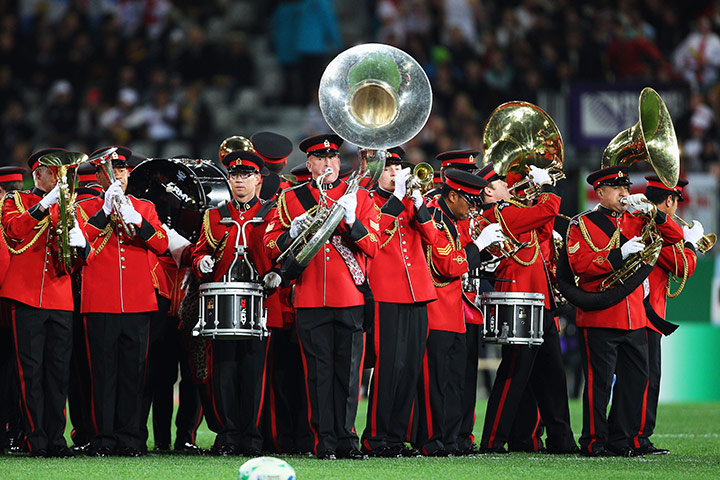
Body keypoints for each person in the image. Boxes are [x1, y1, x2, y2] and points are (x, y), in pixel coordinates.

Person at [264, 133, 380, 460]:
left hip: (349, 297)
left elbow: (373, 245)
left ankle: (347, 439)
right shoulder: (292, 199)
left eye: (333, 158)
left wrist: (352, 221)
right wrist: (293, 231)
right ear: (310, 163)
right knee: (318, 374)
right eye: (320, 158)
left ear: (339, 162)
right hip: (310, 298)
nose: (327, 163)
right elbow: (270, 247)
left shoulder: (357, 196)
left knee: (349, 373)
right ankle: (324, 442)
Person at [566, 166, 683, 457]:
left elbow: (675, 235)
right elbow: (579, 265)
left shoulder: (637, 219)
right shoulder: (582, 224)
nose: (624, 194)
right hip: (600, 316)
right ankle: (593, 442)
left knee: (636, 380)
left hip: (634, 315)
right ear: (600, 192)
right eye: (617, 189)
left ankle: (622, 439)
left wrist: (654, 213)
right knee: (599, 384)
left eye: (626, 188)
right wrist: (619, 254)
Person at [477, 162, 576, 454]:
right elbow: (545, 213)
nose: (509, 185)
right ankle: (493, 440)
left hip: (540, 300)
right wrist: (545, 189)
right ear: (489, 190)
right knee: (514, 372)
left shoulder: (515, 211)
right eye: (501, 183)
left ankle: (558, 439)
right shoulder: (498, 212)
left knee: (552, 373)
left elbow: (544, 230)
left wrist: (535, 197)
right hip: (518, 300)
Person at [77, 147, 169, 457]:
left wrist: (138, 221)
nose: (119, 176)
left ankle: (131, 438)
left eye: (123, 170)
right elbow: (80, 243)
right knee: (102, 374)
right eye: (112, 171)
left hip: (138, 301)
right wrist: (104, 210)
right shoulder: (85, 206)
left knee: (134, 373)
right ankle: (102, 437)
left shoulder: (144, 206)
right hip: (100, 301)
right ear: (100, 175)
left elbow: (161, 243)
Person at [0, 149, 89, 457]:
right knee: (30, 371)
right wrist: (43, 205)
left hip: (61, 297)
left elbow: (75, 262)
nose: (63, 179)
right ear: (39, 175)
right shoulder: (16, 201)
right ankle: (34, 438)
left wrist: (82, 246)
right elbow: (14, 232)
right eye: (57, 173)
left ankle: (55, 438)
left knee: (57, 372)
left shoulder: (69, 209)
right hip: (24, 295)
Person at [192, 150, 278, 456]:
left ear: (258, 179)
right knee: (223, 371)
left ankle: (253, 437)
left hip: (260, 304)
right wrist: (201, 260)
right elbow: (199, 251)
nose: (239, 181)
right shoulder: (214, 215)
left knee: (255, 371)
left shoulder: (272, 213)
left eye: (245, 175)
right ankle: (228, 435)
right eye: (234, 175)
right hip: (223, 305)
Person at [414, 168, 503, 456]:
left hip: (453, 311)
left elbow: (460, 259)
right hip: (436, 311)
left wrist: (487, 254)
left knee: (455, 382)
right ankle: (431, 440)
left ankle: (450, 439)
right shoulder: (435, 219)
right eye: (470, 201)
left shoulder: (451, 219)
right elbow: (448, 265)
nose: (474, 207)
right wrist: (479, 245)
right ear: (452, 196)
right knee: (435, 383)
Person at [360, 147, 442, 457]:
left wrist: (419, 204)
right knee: (389, 366)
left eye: (398, 167)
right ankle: (376, 437)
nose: (395, 173)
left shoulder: (414, 199)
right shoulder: (367, 200)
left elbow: (433, 240)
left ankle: (396, 436)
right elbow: (374, 234)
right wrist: (398, 201)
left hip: (418, 291)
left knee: (410, 366)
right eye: (389, 168)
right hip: (385, 291)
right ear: (376, 171)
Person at [634, 176, 700, 455]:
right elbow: (681, 267)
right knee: (647, 378)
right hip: (647, 313)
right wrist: (691, 245)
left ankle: (627, 436)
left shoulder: (641, 219)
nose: (676, 210)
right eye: (675, 202)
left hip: (635, 311)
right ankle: (638, 438)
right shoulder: (657, 225)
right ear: (670, 200)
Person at [0, 166, 26, 454]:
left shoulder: (14, 219)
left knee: (16, 373)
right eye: (9, 193)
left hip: (14, 305)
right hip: (11, 304)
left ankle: (15, 429)